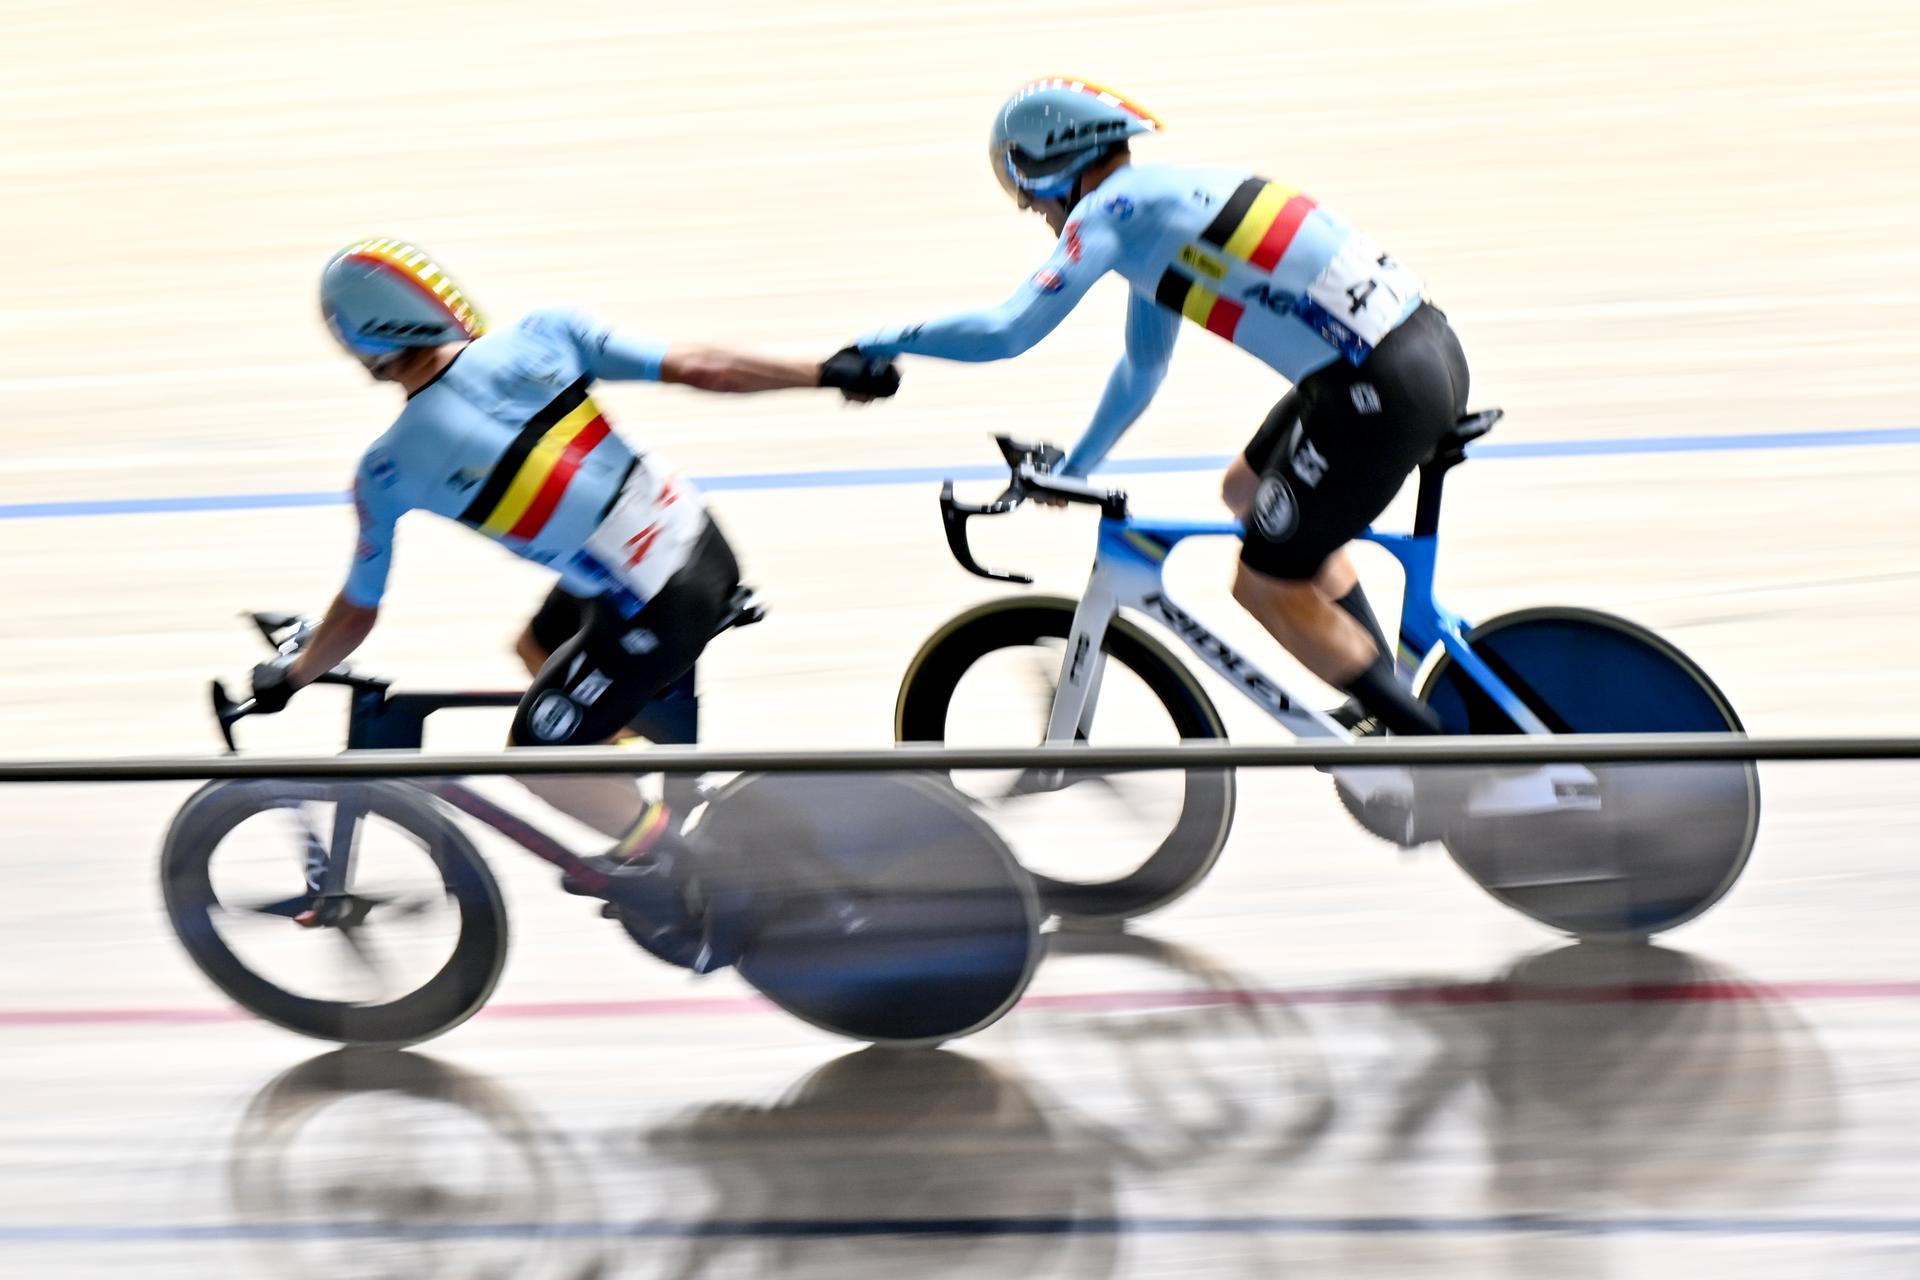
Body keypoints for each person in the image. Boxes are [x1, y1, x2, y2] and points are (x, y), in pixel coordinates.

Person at [844, 78, 1568, 843]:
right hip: (1407, 358)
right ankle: (1373, 698)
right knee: (1245, 488)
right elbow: (1141, 370)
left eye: (1021, 178)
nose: (1027, 203)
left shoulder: (1112, 210)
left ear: (1059, 159)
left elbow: (1007, 329)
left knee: (1261, 582)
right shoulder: (1158, 209)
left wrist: (879, 340)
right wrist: (1082, 465)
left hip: (1376, 387)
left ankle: (1448, 773)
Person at [249, 237, 900, 956]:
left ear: (361, 344)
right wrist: (827, 371)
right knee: (535, 647)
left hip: (649, 607)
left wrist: (293, 675)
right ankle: (626, 790)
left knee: (537, 757)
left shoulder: (387, 468)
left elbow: (358, 611)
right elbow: (704, 368)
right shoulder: (544, 333)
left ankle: (691, 862)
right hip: (702, 544)